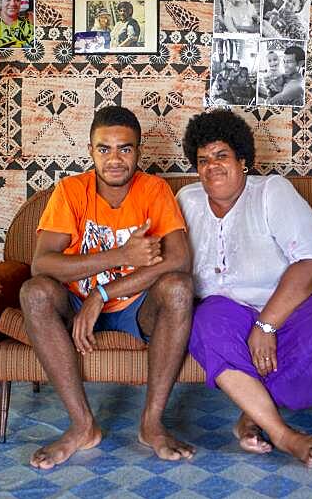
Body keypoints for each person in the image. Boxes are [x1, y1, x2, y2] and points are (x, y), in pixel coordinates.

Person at [177, 110, 312, 468]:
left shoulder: (271, 191)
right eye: (202, 160)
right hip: (226, 312)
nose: (212, 166)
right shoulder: (187, 199)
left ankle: (251, 414)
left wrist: (266, 325)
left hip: (288, 309)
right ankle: (280, 432)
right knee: (205, 318)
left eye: (221, 156)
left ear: (243, 161)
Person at [20, 106, 196, 469]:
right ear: (90, 151)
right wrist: (120, 255)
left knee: (178, 287)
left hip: (136, 306)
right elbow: (43, 264)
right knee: (34, 291)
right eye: (104, 149)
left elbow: (179, 261)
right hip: (73, 301)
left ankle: (151, 424)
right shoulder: (70, 191)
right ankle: (82, 425)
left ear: (139, 151)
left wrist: (103, 294)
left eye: (125, 149)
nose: (115, 159)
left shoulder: (154, 190)